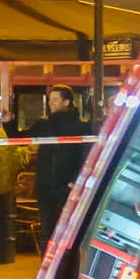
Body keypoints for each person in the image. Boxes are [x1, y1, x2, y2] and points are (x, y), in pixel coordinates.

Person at [29, 84, 92, 243]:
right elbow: (21, 138)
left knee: (71, 228)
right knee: (46, 229)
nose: (50, 103)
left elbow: (85, 155)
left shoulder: (81, 126)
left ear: (66, 102)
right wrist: (8, 123)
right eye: (50, 99)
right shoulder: (44, 124)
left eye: (55, 100)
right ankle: (46, 257)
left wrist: (75, 179)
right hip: (45, 183)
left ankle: (68, 257)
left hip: (67, 184)